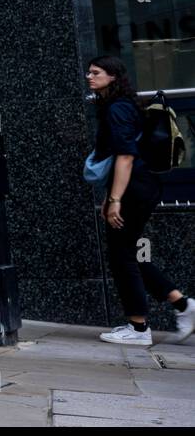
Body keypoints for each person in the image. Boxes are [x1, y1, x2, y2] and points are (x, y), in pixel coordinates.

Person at [87, 56, 193, 345]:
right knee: (126, 253)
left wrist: (115, 199)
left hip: (134, 188)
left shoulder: (118, 109)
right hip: (140, 187)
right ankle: (183, 305)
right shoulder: (119, 106)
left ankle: (138, 329)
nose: (89, 77)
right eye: (89, 72)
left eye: (96, 72)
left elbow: (125, 156)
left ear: (112, 77)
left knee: (122, 256)